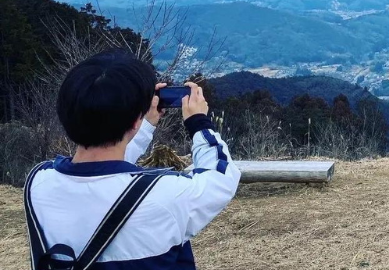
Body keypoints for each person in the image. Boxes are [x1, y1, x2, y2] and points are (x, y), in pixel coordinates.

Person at [24, 50, 241, 269]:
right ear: (134, 123)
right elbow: (222, 176)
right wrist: (198, 122)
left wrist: (143, 123)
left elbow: (104, 170)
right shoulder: (165, 195)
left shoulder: (37, 183)